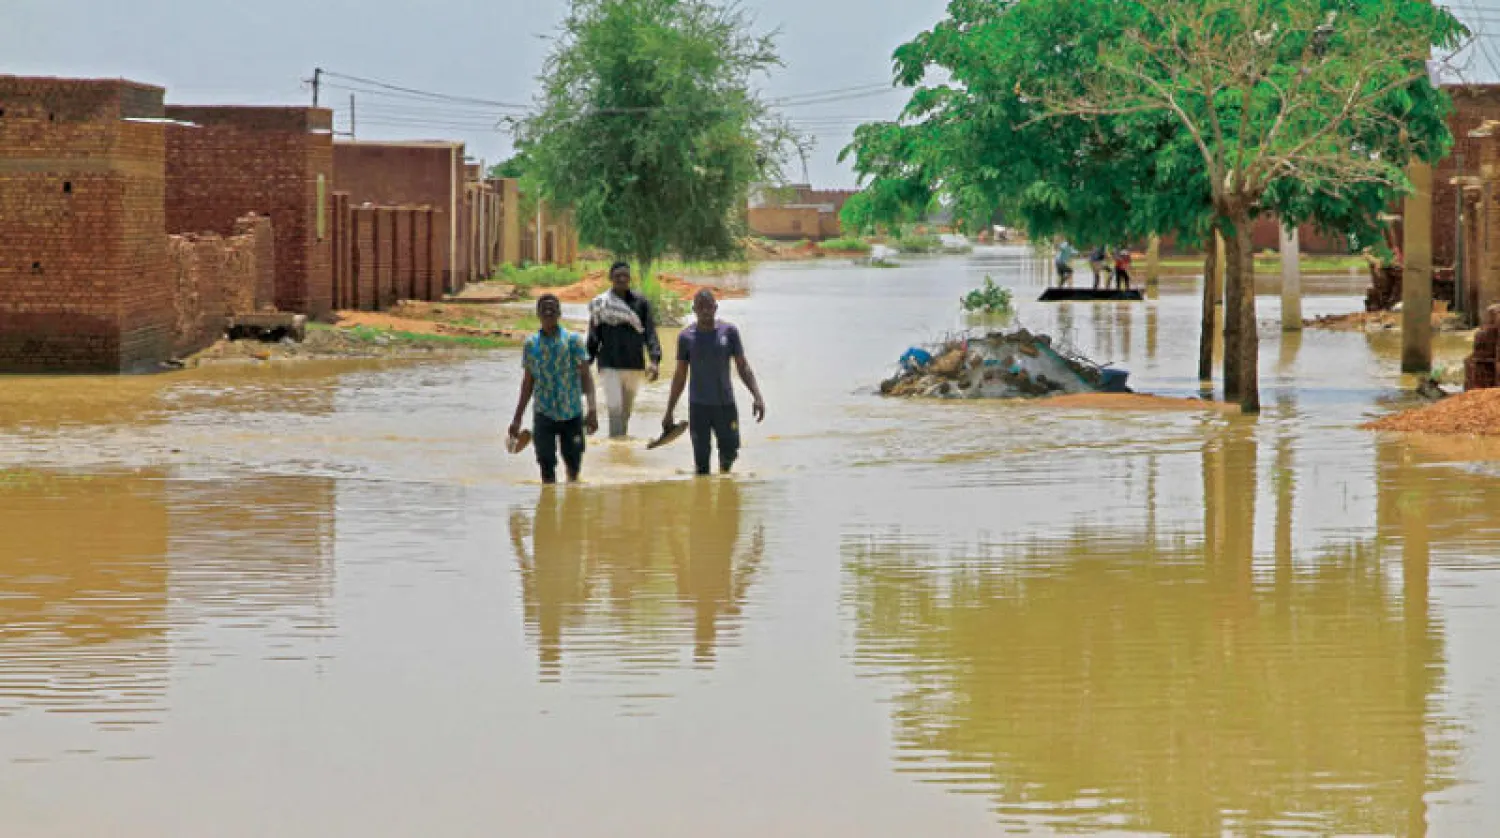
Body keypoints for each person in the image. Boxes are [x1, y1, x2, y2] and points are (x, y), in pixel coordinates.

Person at [663, 289, 767, 476]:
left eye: (708, 306)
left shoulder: (730, 332)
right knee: (701, 465)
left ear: (715, 307)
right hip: (699, 407)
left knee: (730, 453)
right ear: (694, 309)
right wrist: (669, 411)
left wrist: (757, 396)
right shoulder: (686, 338)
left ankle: (724, 481)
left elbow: (743, 367)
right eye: (700, 307)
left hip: (725, 406)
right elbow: (680, 375)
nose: (705, 311)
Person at [510, 294, 599, 484]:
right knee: (546, 470)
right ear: (538, 314)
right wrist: (517, 418)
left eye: (552, 308)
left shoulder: (573, 341)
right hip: (544, 414)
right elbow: (527, 383)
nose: (548, 311)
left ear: (559, 312)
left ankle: (572, 509)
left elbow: (586, 376)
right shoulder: (531, 344)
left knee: (574, 472)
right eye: (544, 308)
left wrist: (592, 410)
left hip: (572, 414)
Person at [586, 261, 662, 438]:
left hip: (633, 364)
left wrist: (654, 360)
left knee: (625, 412)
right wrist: (585, 362)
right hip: (609, 364)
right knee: (614, 409)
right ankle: (617, 446)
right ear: (610, 279)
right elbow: (593, 336)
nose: (621, 279)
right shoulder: (601, 304)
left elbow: (650, 332)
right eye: (617, 275)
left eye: (625, 275)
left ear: (630, 278)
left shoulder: (641, 303)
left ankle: (619, 446)